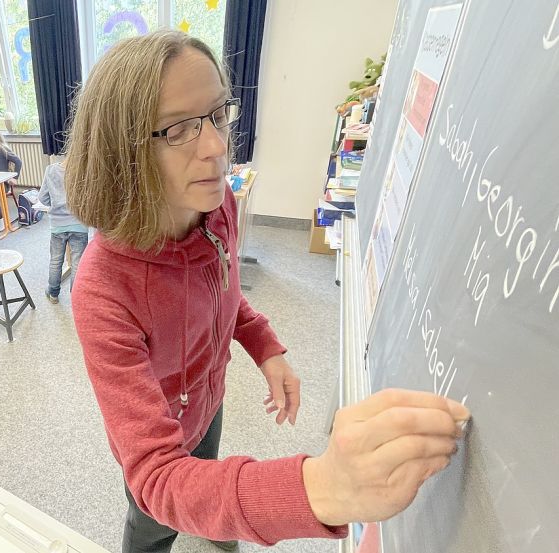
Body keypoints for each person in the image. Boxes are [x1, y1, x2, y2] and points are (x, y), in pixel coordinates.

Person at [66, 31, 469, 552]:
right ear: (123, 151)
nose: (215, 146)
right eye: (181, 128)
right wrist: (320, 487)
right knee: (152, 524)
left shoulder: (219, 207)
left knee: (207, 471)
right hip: (159, 432)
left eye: (216, 115)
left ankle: (219, 527)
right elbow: (157, 476)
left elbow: (224, 294)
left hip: (209, 399)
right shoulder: (102, 289)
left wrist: (264, 345)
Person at [37, 161, 87, 305]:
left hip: (57, 225)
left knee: (56, 260)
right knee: (78, 262)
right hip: (79, 223)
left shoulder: (51, 170)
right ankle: (76, 296)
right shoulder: (83, 169)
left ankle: (53, 294)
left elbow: (42, 198)